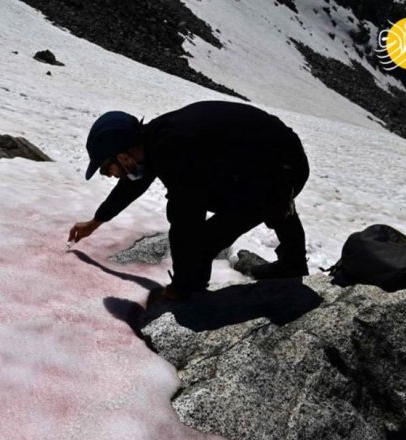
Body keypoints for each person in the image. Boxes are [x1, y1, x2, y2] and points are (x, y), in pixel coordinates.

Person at [69, 101, 310, 301]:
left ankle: (289, 262)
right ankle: (291, 255)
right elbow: (132, 186)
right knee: (221, 201)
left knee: (202, 237)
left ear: (123, 156)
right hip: (273, 157)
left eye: (105, 168)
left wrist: (181, 287)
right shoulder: (153, 140)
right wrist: (95, 222)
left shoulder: (175, 151)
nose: (109, 174)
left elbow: (185, 220)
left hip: (284, 166)